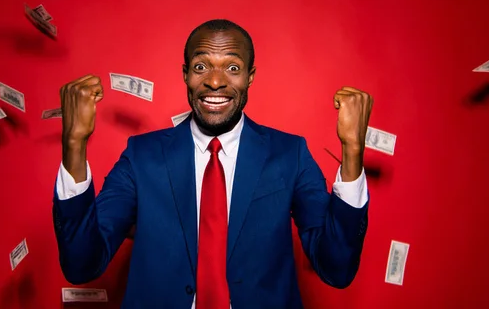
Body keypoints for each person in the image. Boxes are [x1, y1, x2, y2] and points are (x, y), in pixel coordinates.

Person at [52, 19, 372, 309]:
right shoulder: (142, 156)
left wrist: (353, 151)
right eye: (201, 66)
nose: (215, 81)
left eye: (232, 68)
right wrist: (74, 146)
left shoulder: (290, 154)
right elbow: (83, 264)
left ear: (250, 76)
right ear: (185, 75)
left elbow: (336, 268)